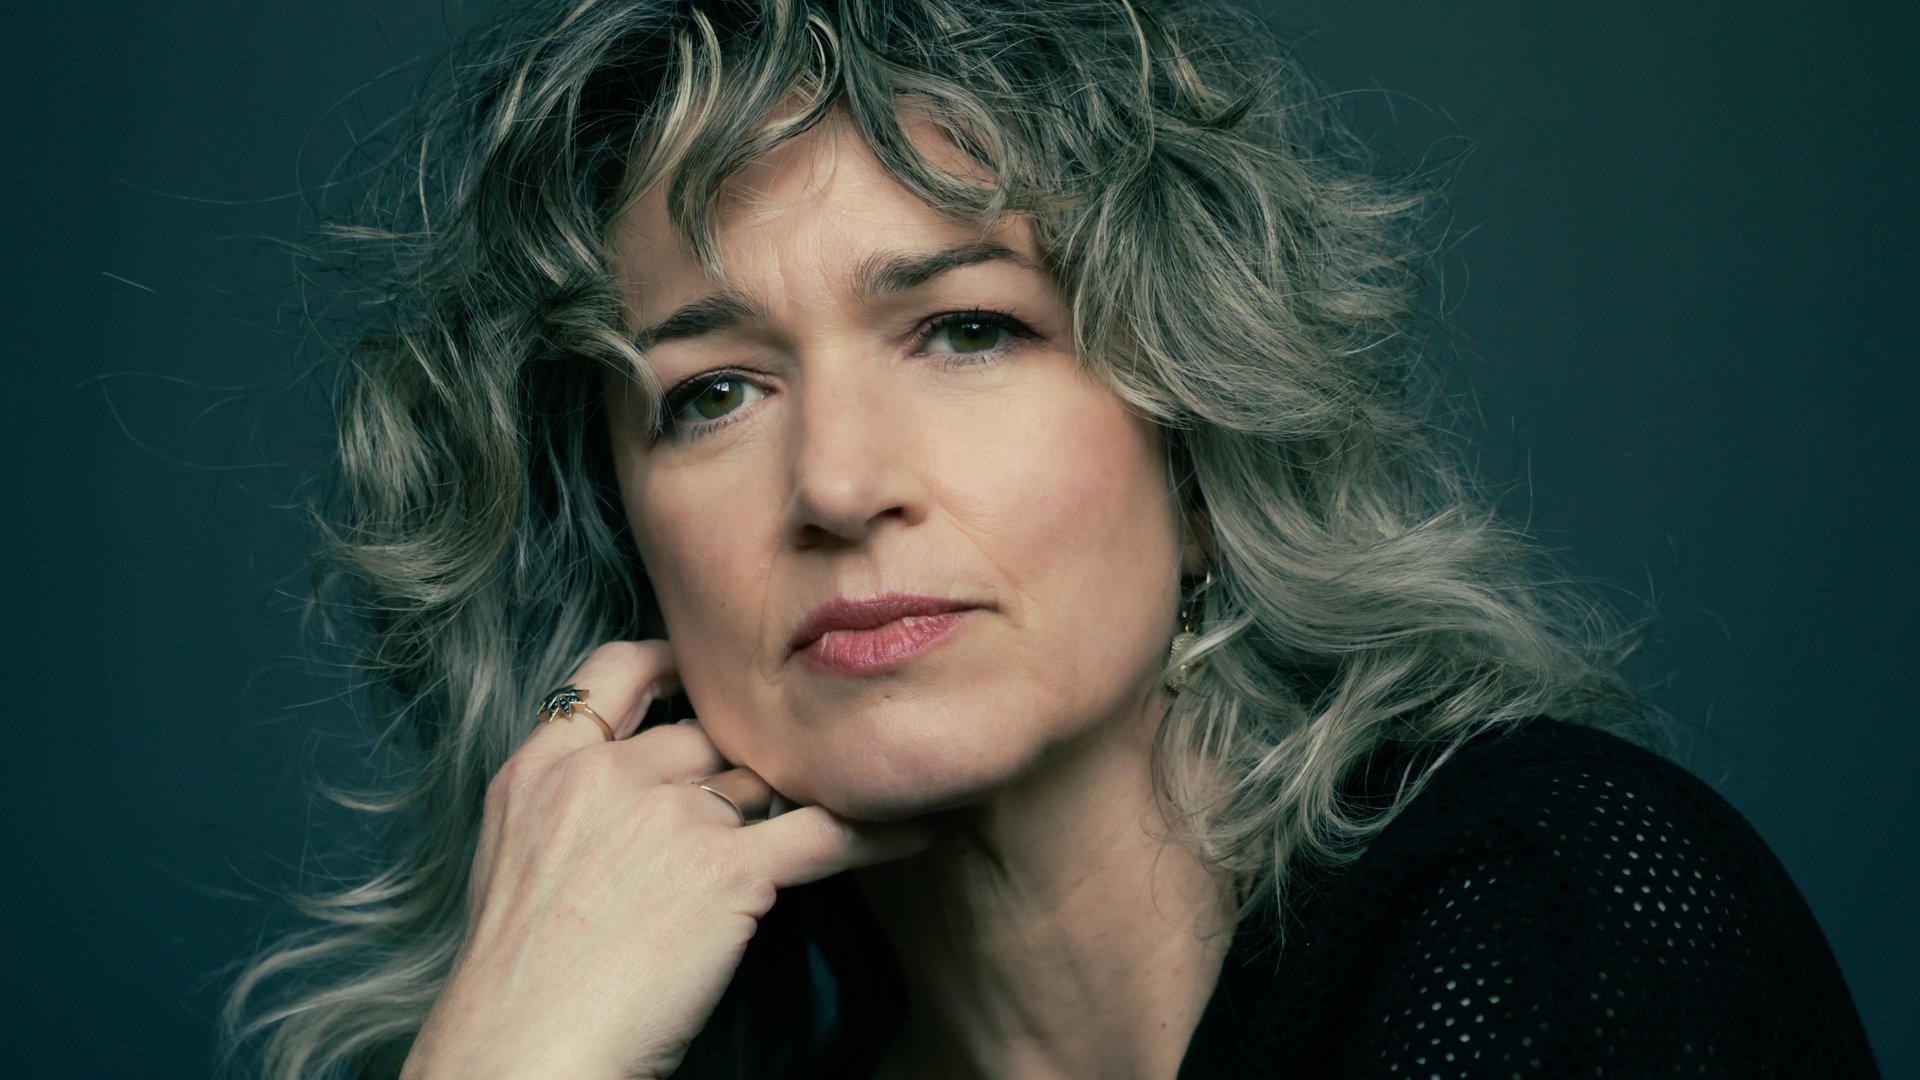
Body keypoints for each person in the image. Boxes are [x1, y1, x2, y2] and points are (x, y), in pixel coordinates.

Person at [221, 0, 1878, 1076]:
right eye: (713, 391)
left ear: (1198, 430)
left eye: (967, 331)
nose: (837, 484)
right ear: (621, 542)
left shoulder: (1546, 916)